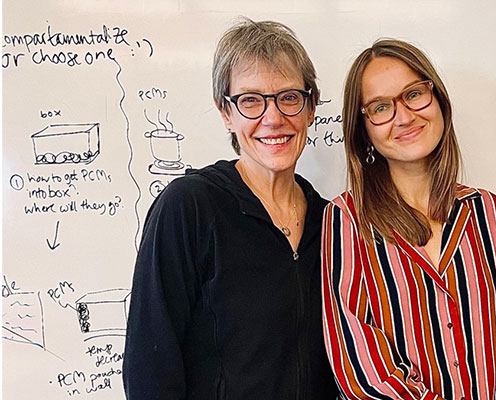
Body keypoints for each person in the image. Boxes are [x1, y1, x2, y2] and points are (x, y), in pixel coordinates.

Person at [322, 39, 496, 399]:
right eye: (380, 107)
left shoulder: (490, 213)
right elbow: (363, 376)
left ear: (438, 100)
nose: (404, 116)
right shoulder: (347, 221)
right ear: (363, 130)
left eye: (414, 94)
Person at [123, 18, 338, 399]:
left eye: (289, 97)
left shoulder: (332, 223)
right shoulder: (189, 208)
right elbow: (149, 368)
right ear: (226, 113)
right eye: (250, 100)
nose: (273, 118)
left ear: (310, 107)